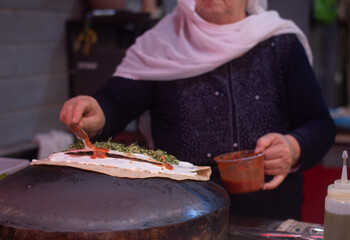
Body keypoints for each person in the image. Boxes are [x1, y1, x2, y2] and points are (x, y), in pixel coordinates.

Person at [60, 0, 336, 220]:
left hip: (272, 219)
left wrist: (293, 147)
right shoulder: (162, 45)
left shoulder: (281, 43)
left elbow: (320, 124)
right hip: (183, 219)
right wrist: (97, 111)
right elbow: (117, 102)